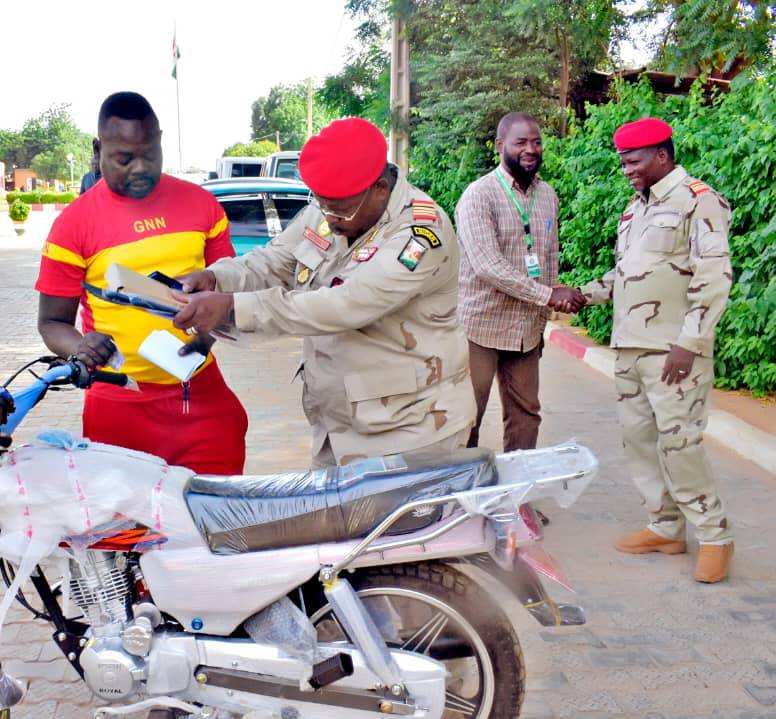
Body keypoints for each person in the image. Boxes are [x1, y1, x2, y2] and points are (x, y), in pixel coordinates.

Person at [174, 117, 476, 468]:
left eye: (338, 207)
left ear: (379, 188)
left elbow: (345, 304)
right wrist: (216, 278)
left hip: (411, 431)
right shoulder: (332, 210)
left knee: (397, 525)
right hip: (339, 426)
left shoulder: (420, 235)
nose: (329, 217)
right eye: (321, 203)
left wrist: (233, 308)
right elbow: (276, 260)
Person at [35, 91, 248, 475]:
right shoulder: (73, 224)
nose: (139, 168)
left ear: (161, 140)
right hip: (119, 406)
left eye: (149, 154)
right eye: (124, 158)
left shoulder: (203, 206)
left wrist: (204, 341)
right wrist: (80, 347)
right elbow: (51, 322)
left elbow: (228, 293)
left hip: (200, 396)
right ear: (99, 149)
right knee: (117, 533)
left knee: (213, 523)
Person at [569, 117, 734, 583]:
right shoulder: (634, 209)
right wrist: (580, 292)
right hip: (629, 348)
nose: (626, 169)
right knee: (639, 441)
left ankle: (716, 535)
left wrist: (691, 342)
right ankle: (664, 527)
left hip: (672, 351)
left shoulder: (698, 203)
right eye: (622, 161)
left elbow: (714, 276)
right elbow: (628, 276)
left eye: (634, 160)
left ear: (662, 155)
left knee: (680, 444)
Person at [455, 112, 586, 451]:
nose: (531, 149)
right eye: (521, 142)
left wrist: (553, 301)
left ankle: (518, 497)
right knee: (467, 416)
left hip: (526, 328)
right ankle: (459, 498)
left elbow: (549, 257)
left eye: (537, 142)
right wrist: (548, 295)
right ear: (500, 146)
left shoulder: (548, 196)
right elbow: (488, 266)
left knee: (526, 414)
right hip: (480, 327)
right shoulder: (478, 195)